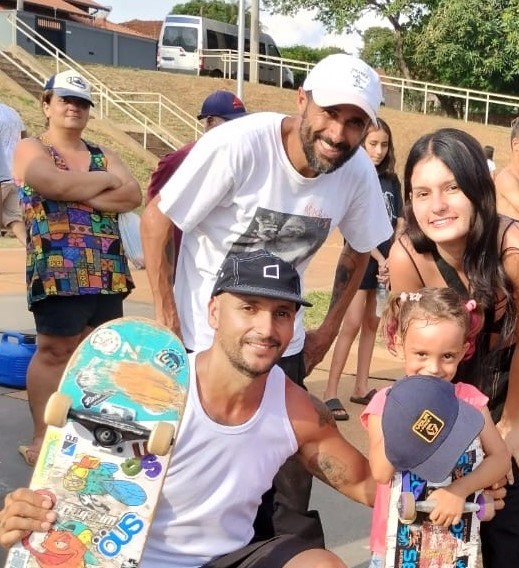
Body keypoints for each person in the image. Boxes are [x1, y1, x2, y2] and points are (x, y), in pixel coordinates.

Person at [140, 53, 393, 547]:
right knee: (178, 473)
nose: (339, 134)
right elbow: (157, 218)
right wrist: (167, 320)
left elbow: (360, 250)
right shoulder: (238, 145)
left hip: (281, 341)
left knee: (288, 490)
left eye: (355, 122)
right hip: (201, 338)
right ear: (302, 100)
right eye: (329, 114)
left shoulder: (357, 171)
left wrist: (324, 333)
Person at [0, 250, 376, 568]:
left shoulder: (298, 410)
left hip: (229, 559)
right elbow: (74, 485)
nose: (266, 328)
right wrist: (28, 511)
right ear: (214, 312)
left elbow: (365, 484)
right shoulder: (148, 390)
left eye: (281, 313)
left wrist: (432, 492)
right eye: (249, 307)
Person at [387, 127, 519, 567]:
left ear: (479, 189)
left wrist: (512, 423)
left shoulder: (518, 249)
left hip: (514, 378)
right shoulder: (407, 256)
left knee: (513, 513)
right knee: (439, 511)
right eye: (421, 193)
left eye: (451, 188)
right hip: (448, 381)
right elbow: (416, 358)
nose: (437, 206)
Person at [13, 70, 141, 467]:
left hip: (105, 271)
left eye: (82, 102)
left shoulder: (101, 150)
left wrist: (77, 189)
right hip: (57, 270)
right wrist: (102, 183)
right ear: (47, 105)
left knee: (97, 357)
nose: (73, 107)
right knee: (54, 352)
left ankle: (87, 433)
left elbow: (133, 194)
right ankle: (43, 434)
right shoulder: (30, 147)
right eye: (65, 99)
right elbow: (51, 184)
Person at [362, 287, 509, 566]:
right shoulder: (385, 402)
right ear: (398, 341)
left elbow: (500, 459)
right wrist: (410, 412)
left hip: (451, 545)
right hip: (396, 545)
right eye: (421, 354)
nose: (434, 368)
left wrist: (459, 490)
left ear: (464, 350)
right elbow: (381, 472)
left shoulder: (469, 401)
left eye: (447, 356)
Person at [322, 117, 403, 420]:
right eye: (373, 144)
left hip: (385, 267)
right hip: (361, 263)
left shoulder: (391, 180)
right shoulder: (355, 177)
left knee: (372, 322)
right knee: (352, 323)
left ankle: (361, 387)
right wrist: (380, 260)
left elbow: (400, 221)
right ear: (361, 144)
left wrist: (392, 260)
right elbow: (354, 227)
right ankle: (330, 391)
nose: (379, 150)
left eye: (384, 144)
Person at [145, 90, 248, 265]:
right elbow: (154, 208)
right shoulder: (181, 159)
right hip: (185, 257)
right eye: (231, 123)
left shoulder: (241, 157)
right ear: (209, 122)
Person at [0, 102, 26, 244]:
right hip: (14, 175)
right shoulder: (12, 112)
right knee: (14, 218)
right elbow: (25, 138)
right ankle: (33, 252)